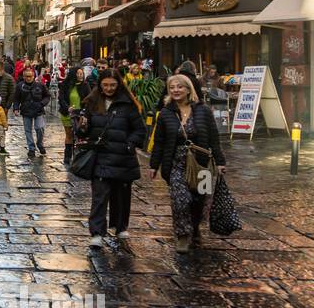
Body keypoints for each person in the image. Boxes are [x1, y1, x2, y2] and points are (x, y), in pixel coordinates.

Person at [149, 73, 226, 253]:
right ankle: (182, 235)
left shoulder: (203, 110)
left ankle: (195, 228)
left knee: (201, 201)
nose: (176, 90)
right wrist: (154, 165)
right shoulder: (166, 113)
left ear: (188, 89)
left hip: (202, 162)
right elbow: (159, 141)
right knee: (180, 200)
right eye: (172, 87)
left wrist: (220, 162)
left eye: (180, 87)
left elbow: (214, 138)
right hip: (176, 163)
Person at [74, 70, 147, 247]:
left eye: (112, 85)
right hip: (100, 156)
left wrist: (130, 144)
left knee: (121, 196)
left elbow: (140, 130)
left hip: (122, 157)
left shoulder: (128, 105)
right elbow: (82, 131)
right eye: (105, 85)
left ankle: (120, 226)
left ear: (119, 85)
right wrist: (82, 126)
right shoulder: (92, 103)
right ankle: (97, 232)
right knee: (100, 196)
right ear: (100, 85)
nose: (109, 88)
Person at [12, 65, 50, 158]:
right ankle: (31, 148)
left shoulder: (40, 85)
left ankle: (40, 144)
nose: (28, 78)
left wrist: (42, 104)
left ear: (33, 76)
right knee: (27, 130)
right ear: (24, 77)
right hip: (26, 110)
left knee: (39, 128)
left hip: (38, 110)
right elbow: (16, 98)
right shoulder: (20, 86)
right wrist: (16, 108)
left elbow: (47, 96)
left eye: (30, 76)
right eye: (26, 76)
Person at [59, 65, 94, 164]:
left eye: (81, 73)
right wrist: (67, 107)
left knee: (81, 135)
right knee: (69, 135)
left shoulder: (85, 85)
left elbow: (89, 99)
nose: (80, 75)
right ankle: (67, 155)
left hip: (81, 113)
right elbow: (61, 98)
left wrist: (85, 110)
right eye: (78, 73)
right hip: (67, 113)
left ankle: (79, 156)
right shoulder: (66, 85)